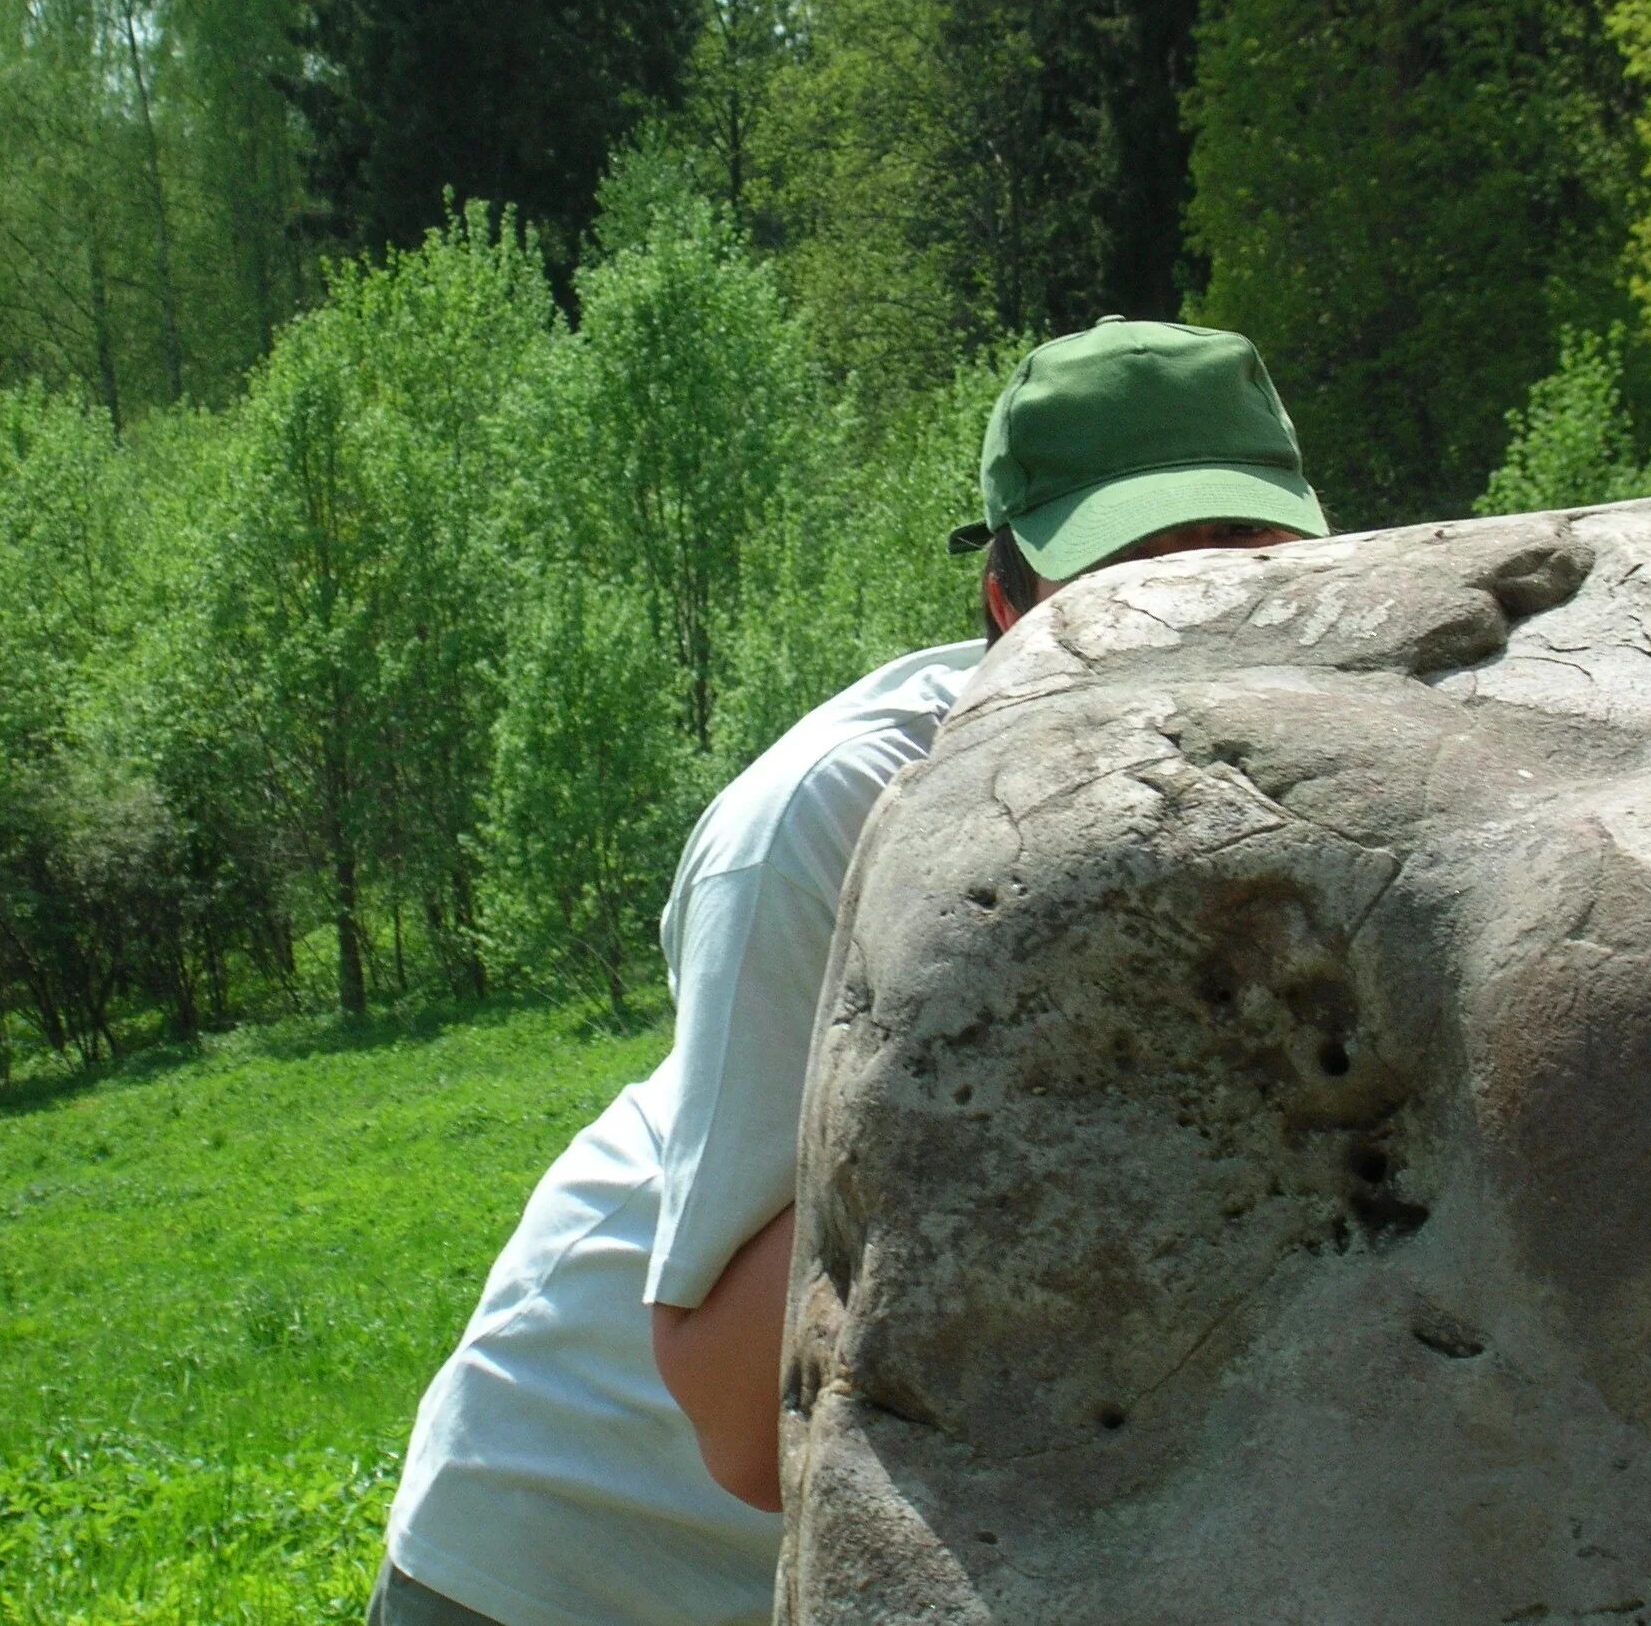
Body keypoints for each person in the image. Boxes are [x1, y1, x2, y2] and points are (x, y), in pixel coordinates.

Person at [367, 319, 1329, 1626]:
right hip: (578, 1547)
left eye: (1253, 564)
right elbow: (742, 1427)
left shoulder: (1341, 795)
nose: (1203, 623)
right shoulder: (837, 816)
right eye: (1135, 574)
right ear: (1009, 605)